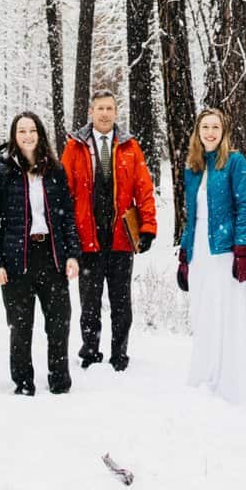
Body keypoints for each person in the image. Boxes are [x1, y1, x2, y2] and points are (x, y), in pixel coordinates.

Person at [0, 111, 83, 395]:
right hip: (16, 258)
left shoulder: (54, 169)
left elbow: (67, 218)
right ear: (14, 135)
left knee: (59, 322)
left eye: (32, 130)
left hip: (51, 255)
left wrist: (73, 254)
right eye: (21, 131)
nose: (27, 136)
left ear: (40, 134)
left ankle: (60, 381)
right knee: (21, 326)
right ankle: (23, 383)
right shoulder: (2, 170)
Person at [60, 88, 159, 371]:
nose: (104, 113)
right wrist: (67, 235)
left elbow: (144, 189)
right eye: (99, 108)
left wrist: (148, 226)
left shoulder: (130, 146)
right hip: (87, 238)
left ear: (116, 113)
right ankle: (90, 352)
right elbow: (62, 193)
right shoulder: (74, 146)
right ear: (90, 112)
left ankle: (120, 355)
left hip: (120, 238)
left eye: (109, 109)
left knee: (121, 302)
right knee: (89, 302)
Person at [179, 106, 246, 405]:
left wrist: (241, 250)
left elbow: (245, 207)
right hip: (199, 250)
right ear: (197, 133)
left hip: (224, 251)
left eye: (215, 127)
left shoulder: (235, 162)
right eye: (205, 128)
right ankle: (206, 376)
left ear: (223, 132)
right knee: (203, 312)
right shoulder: (193, 167)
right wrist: (184, 254)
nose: (210, 132)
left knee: (226, 313)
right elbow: (191, 215)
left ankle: (231, 381)